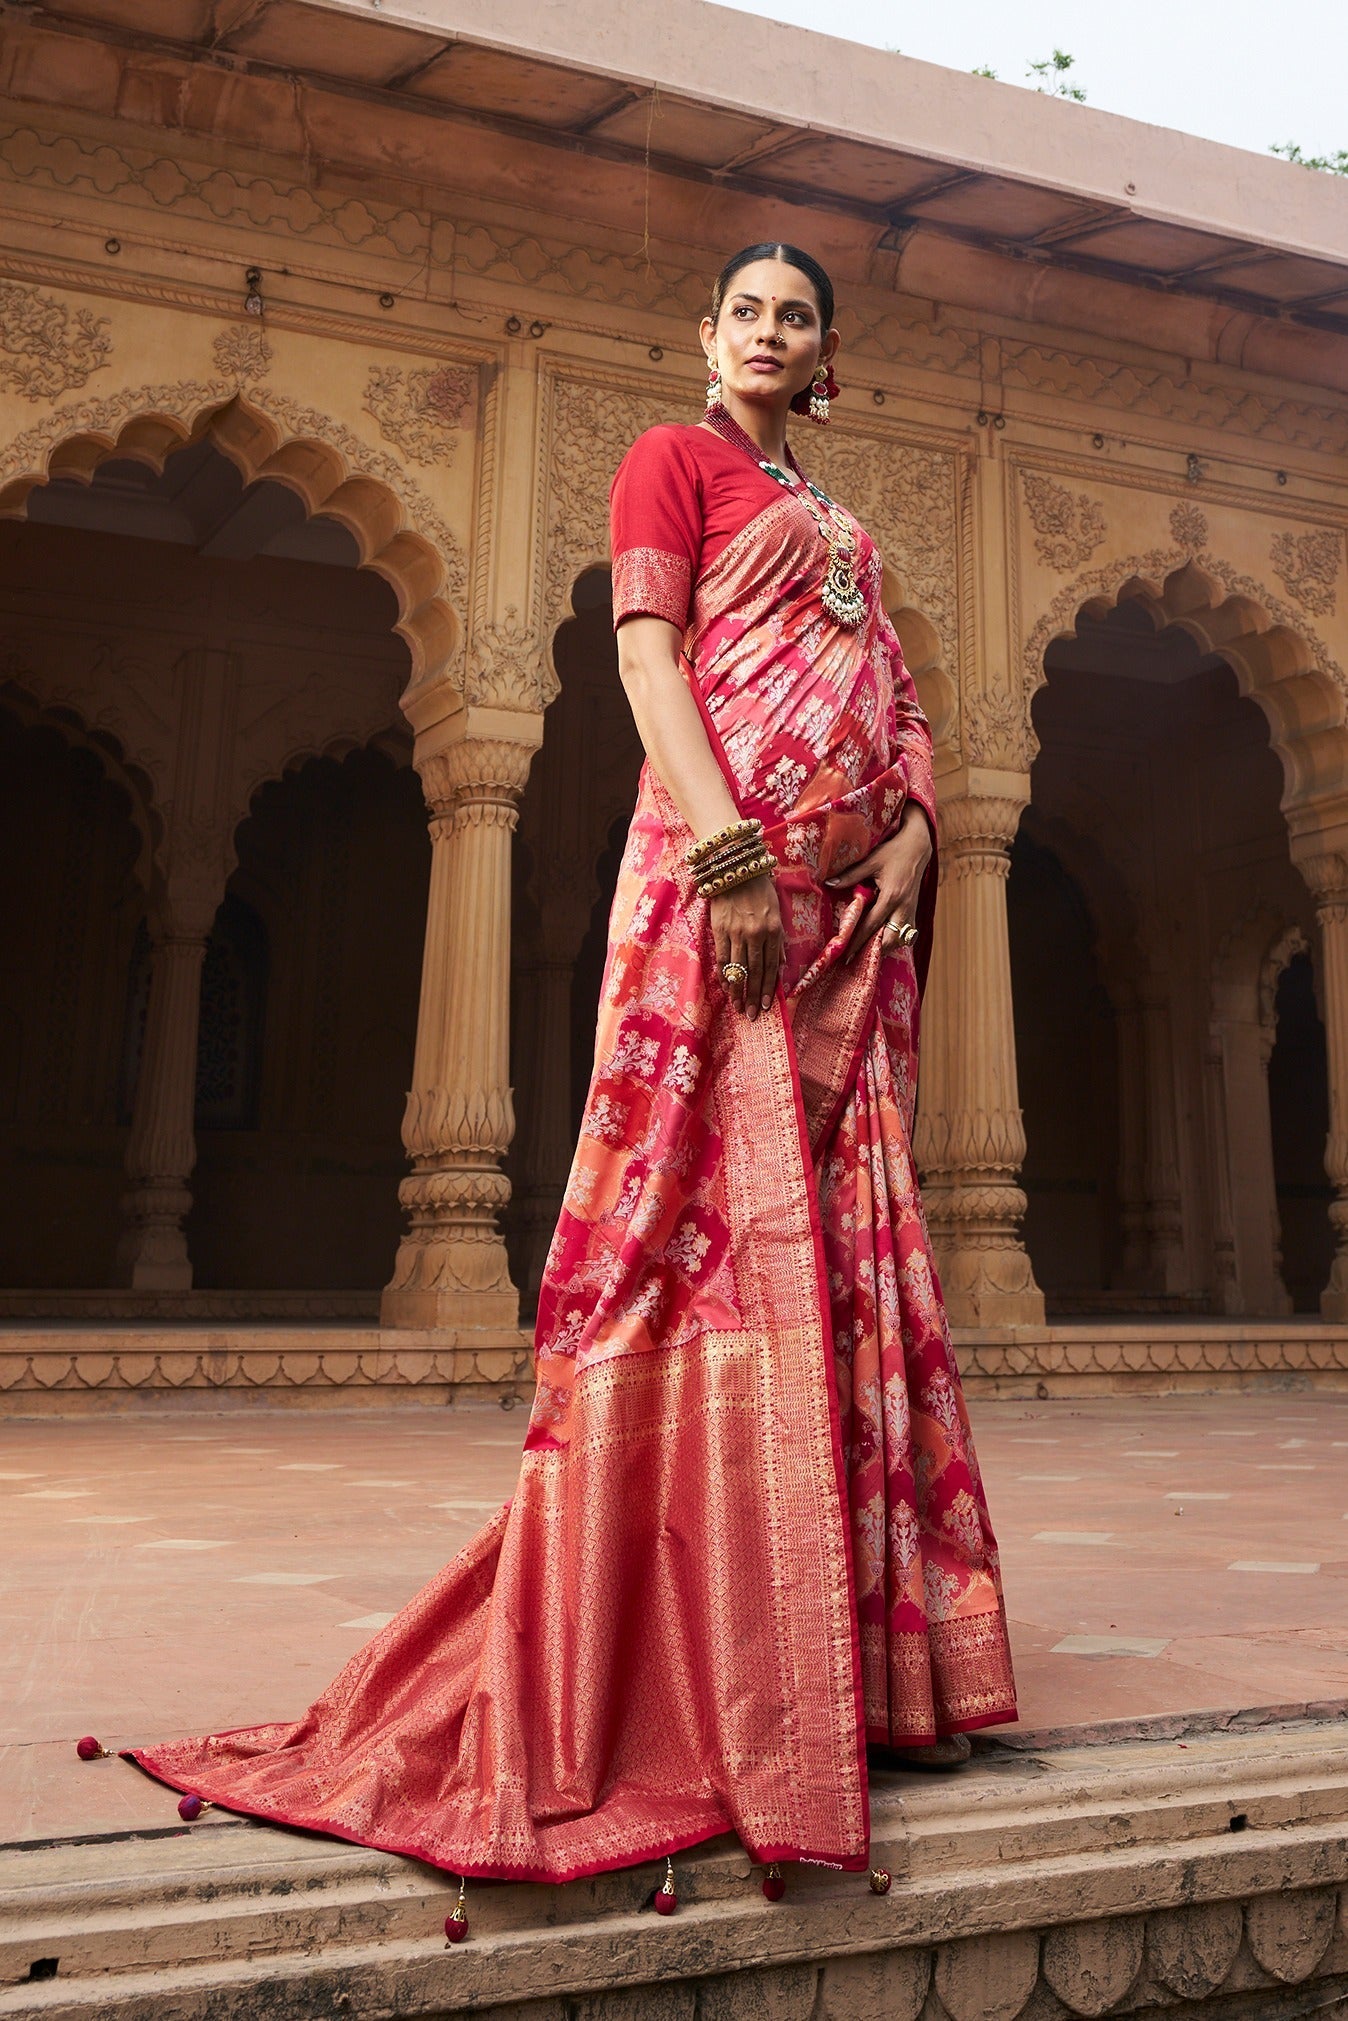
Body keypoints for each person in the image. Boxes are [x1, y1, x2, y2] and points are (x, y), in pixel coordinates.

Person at [124, 241, 1017, 1909]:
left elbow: (896, 700)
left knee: (835, 1263)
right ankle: (709, 1663)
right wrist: (732, 849)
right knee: (693, 1254)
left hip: (849, 922)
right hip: (725, 888)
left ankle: (872, 1673)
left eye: (797, 314)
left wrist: (911, 833)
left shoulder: (834, 510)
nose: (770, 331)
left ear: (827, 351)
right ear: (708, 336)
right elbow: (647, 659)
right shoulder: (665, 461)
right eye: (747, 309)